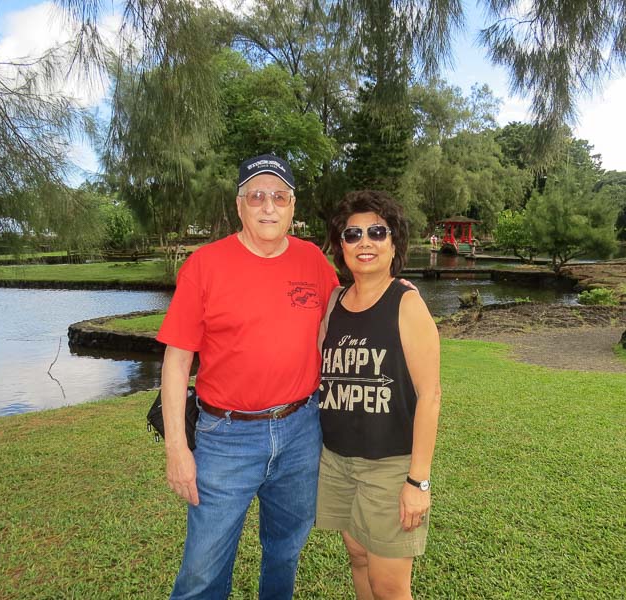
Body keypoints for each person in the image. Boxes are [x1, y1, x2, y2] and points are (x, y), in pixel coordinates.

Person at [156, 153, 339, 599]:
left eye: (279, 196)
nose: (269, 206)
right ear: (240, 206)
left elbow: (346, 314)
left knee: (284, 552)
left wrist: (393, 292)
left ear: (293, 207)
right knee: (202, 571)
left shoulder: (313, 261)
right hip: (226, 437)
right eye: (257, 195)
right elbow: (177, 363)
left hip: (300, 431)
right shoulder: (204, 265)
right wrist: (178, 449)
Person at [316, 190, 441, 600]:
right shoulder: (333, 302)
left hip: (389, 467)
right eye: (352, 234)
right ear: (341, 246)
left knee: (389, 585)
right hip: (337, 461)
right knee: (357, 556)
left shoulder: (406, 304)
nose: (364, 242)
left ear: (393, 243)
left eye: (376, 232)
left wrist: (417, 481)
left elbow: (430, 396)